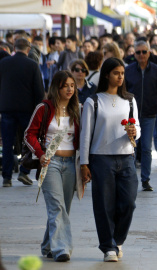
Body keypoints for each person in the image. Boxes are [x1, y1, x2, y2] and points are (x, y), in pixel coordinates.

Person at [80, 57, 140, 262]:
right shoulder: (93, 101)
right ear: (106, 74)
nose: (120, 77)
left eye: (122, 73)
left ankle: (117, 239)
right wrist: (84, 164)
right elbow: (86, 135)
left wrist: (134, 131)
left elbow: (137, 127)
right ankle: (108, 247)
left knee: (129, 202)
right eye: (116, 73)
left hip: (126, 157)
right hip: (101, 159)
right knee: (104, 204)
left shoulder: (130, 100)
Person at [24, 71, 80, 262]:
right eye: (66, 85)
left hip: (71, 164)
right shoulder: (44, 107)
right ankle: (61, 249)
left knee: (63, 208)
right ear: (57, 87)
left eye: (72, 85)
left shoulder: (76, 109)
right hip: (50, 163)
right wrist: (40, 155)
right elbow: (28, 134)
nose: (70, 89)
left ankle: (48, 245)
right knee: (57, 206)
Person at [125, 40, 157, 191]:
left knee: (146, 147)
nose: (141, 55)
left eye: (144, 52)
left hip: (149, 114)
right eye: (138, 52)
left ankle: (145, 179)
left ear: (149, 53)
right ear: (134, 54)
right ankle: (131, 179)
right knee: (132, 147)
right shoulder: (128, 71)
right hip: (131, 115)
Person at [0, 38, 44, 187]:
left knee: (7, 144)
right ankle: (24, 171)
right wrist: (39, 111)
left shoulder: (3, 63)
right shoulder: (32, 65)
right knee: (31, 141)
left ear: (14, 47)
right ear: (28, 48)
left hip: (7, 109)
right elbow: (39, 91)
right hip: (28, 110)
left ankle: (6, 177)